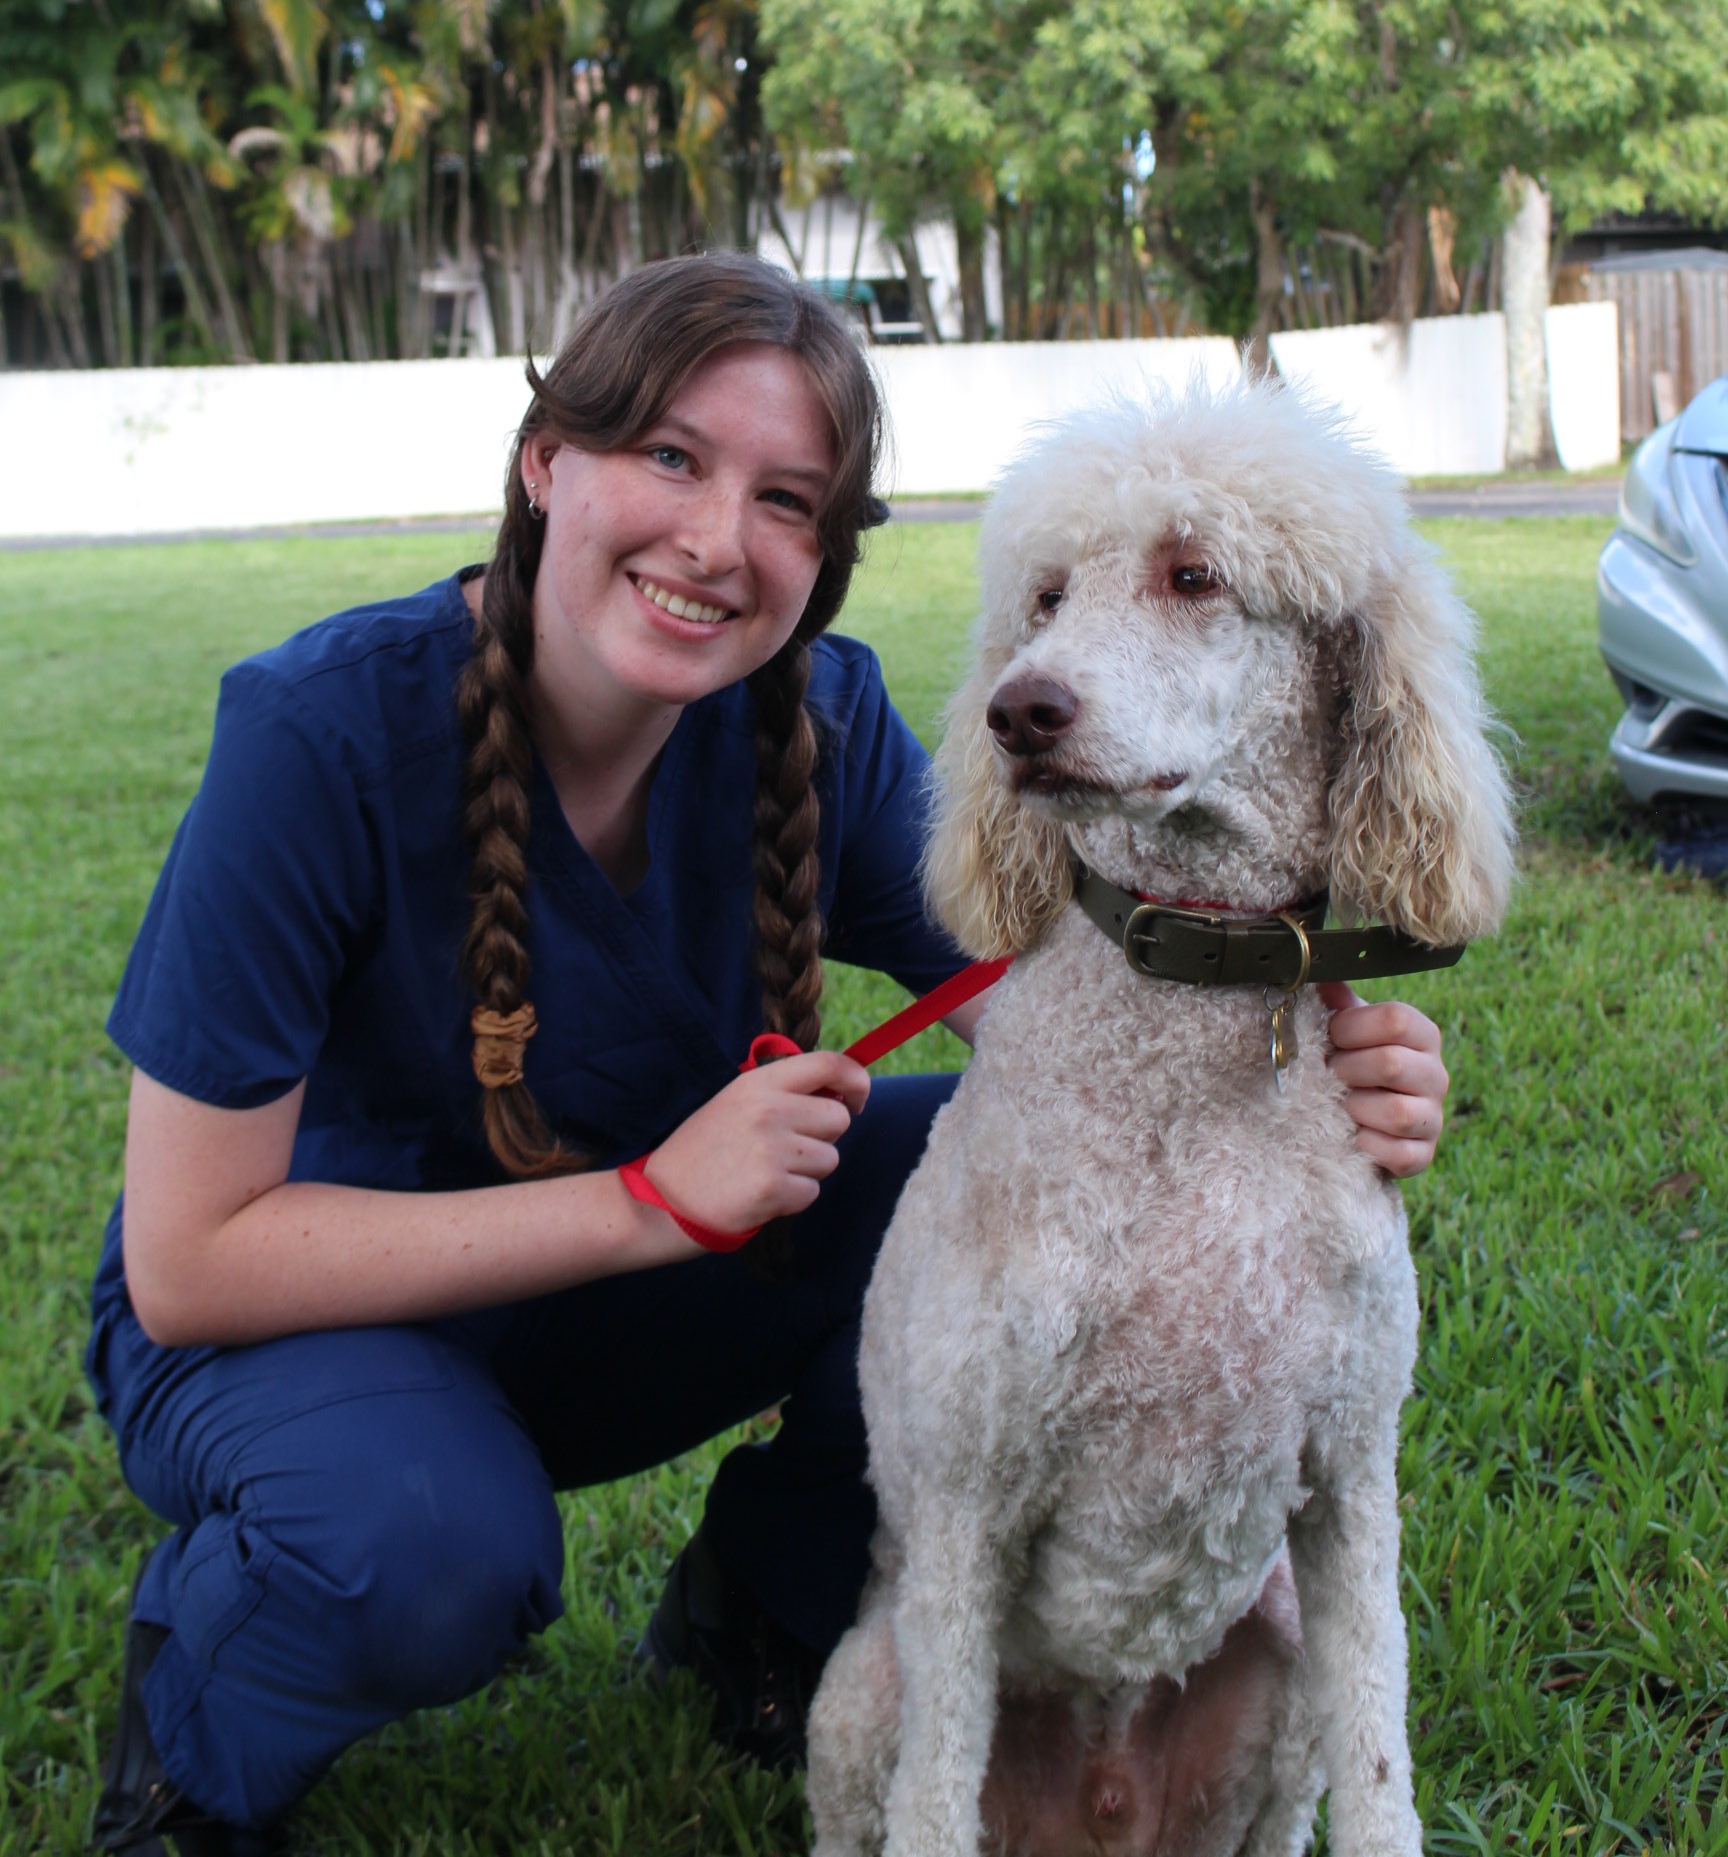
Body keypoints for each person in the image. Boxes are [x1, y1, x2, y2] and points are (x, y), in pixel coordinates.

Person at [84, 256, 1451, 1855]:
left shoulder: (821, 723)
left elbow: (1069, 999)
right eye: (670, 457)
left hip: (618, 1300)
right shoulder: (312, 740)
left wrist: (1325, 1047)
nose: (718, 541)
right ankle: (193, 1736)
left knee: (985, 1177)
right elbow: (189, 1262)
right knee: (427, 1541)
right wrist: (650, 1202)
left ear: (827, 552)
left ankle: (759, 1602)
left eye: (788, 499)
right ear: (547, 463)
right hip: (298, 1328)